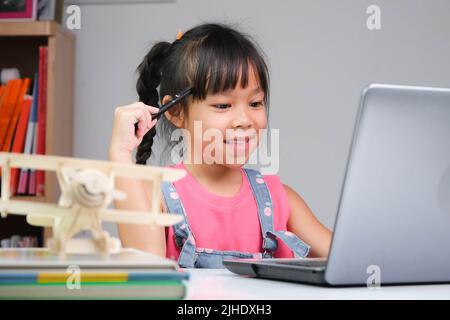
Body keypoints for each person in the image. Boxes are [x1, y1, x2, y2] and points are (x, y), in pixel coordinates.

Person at [109, 23, 332, 268]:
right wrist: (120, 153)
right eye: (223, 105)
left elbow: (352, 263)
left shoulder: (283, 200)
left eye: (255, 103)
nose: (244, 120)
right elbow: (145, 276)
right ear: (175, 110)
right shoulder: (155, 197)